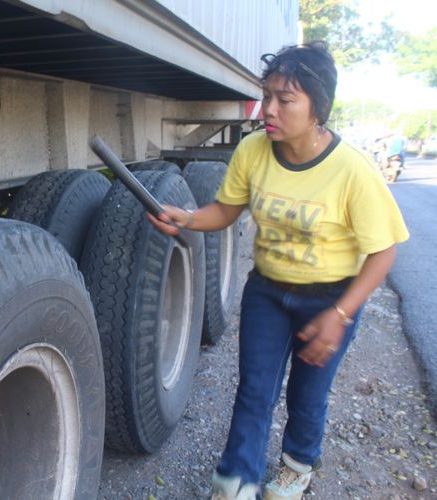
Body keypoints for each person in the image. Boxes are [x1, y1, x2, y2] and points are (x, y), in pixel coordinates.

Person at [147, 41, 409, 500]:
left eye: (284, 99)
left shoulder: (352, 170)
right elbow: (226, 211)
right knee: (254, 388)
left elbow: (383, 252)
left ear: (317, 108)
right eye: (266, 95)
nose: (267, 109)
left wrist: (340, 314)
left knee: (307, 396)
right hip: (267, 292)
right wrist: (188, 219)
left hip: (330, 299)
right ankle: (237, 478)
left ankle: (297, 465)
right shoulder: (252, 150)